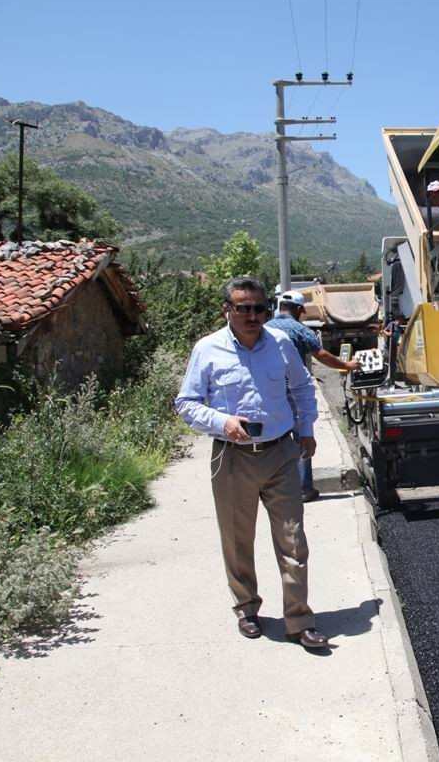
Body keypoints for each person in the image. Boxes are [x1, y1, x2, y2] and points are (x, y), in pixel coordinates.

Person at [174, 277, 329, 648]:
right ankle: (246, 608)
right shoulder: (208, 349)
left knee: (293, 540)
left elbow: (302, 387)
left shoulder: (280, 345)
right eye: (243, 307)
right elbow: (187, 403)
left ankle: (299, 620)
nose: (252, 315)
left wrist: (305, 428)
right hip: (232, 457)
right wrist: (222, 422)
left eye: (260, 308)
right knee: (237, 539)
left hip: (279, 453)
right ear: (227, 309)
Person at [266, 290, 359, 502]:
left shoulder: (265, 328)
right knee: (302, 440)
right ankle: (303, 489)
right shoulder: (299, 329)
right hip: (294, 392)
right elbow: (322, 355)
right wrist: (346, 365)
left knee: (273, 440)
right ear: (299, 310)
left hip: (270, 393)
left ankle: (275, 490)